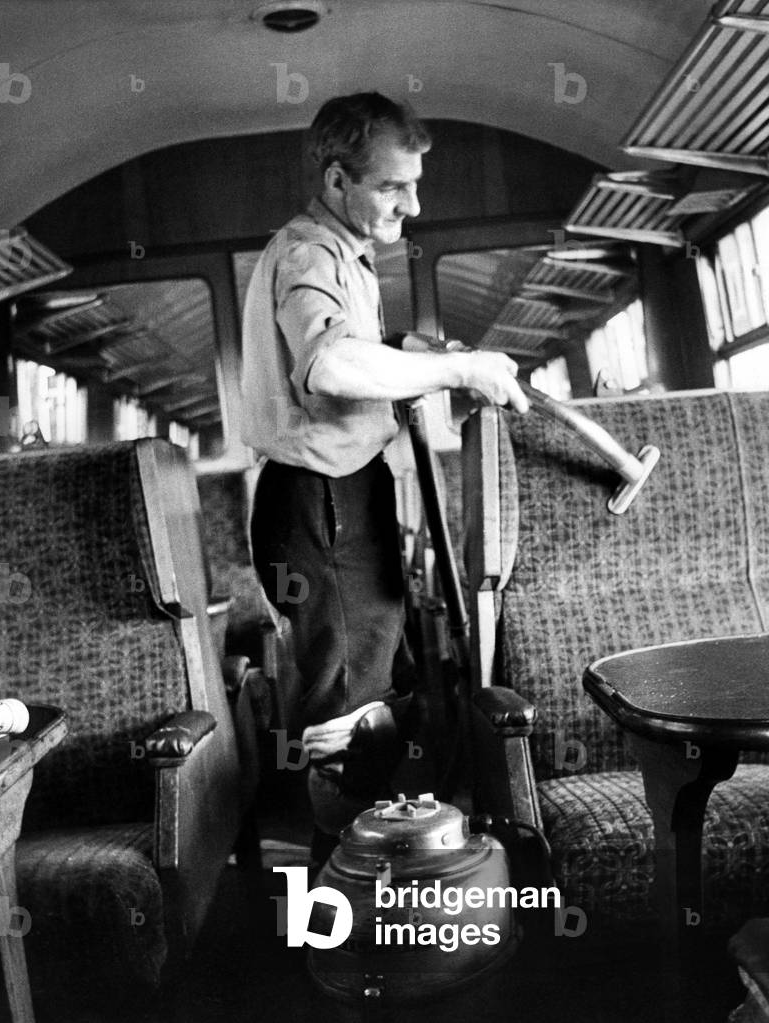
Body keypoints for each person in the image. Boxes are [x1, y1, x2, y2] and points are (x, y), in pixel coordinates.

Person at [241, 92, 528, 865]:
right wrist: (456, 366)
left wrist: (411, 350)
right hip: (318, 501)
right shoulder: (309, 252)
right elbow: (329, 364)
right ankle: (350, 911)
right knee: (346, 713)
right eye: (394, 185)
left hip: (344, 496)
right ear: (338, 181)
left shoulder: (343, 255)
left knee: (376, 694)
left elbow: (355, 349)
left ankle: (372, 878)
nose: (415, 201)